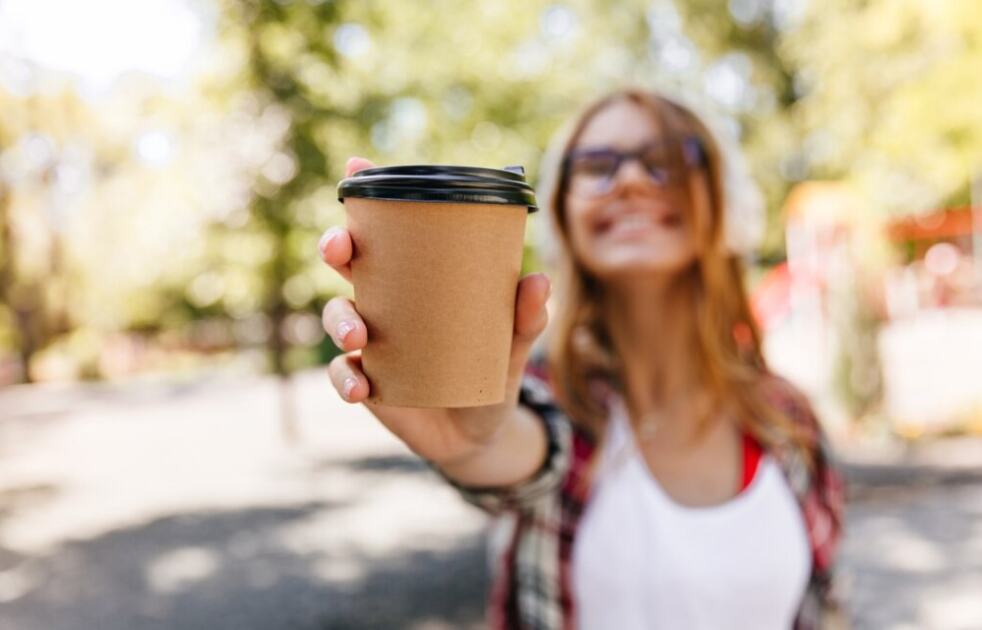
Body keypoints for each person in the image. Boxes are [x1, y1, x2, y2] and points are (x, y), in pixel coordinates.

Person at [318, 88, 845, 630]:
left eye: (664, 159)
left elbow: (827, 612)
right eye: (597, 165)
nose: (631, 180)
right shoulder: (546, 393)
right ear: (564, 214)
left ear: (722, 201)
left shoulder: (789, 420)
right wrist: (472, 438)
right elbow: (515, 446)